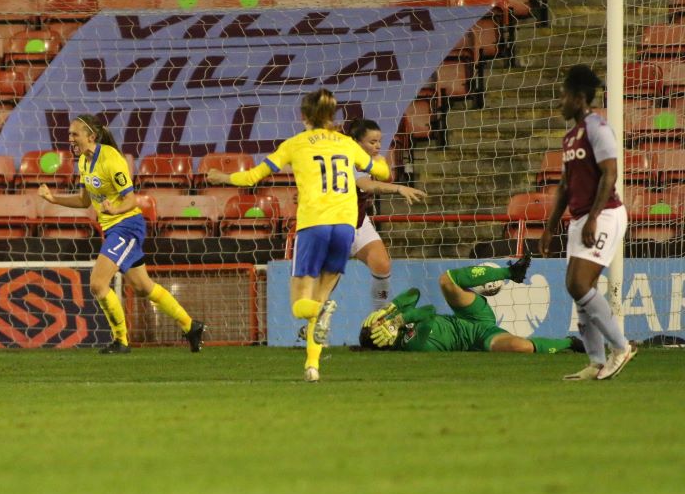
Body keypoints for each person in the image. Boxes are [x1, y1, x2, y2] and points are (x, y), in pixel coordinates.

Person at [208, 89, 390, 382]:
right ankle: (312, 366)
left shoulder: (294, 145)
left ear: (303, 116)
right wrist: (377, 162)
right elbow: (380, 171)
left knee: (299, 304)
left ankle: (319, 311)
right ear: (332, 116)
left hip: (313, 225)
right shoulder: (346, 143)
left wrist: (222, 178)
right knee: (320, 298)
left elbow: (253, 177)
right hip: (345, 226)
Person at [37, 114, 206, 354]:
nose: (70, 139)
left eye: (75, 134)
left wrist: (114, 209)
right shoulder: (84, 162)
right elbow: (85, 200)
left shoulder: (111, 160)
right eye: (69, 135)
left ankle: (121, 341)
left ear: (91, 136)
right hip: (114, 229)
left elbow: (131, 199)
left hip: (127, 225)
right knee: (143, 287)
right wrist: (53, 198)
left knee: (97, 284)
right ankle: (191, 325)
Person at [539, 65, 636, 381]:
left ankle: (621, 347)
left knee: (579, 284)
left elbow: (610, 172)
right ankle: (596, 362)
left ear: (579, 98)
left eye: (564, 96)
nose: (560, 102)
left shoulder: (598, 128)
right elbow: (566, 186)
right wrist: (551, 226)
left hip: (605, 213)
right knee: (577, 287)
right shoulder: (570, 136)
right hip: (580, 218)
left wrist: (594, 218)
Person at [359, 256, 583, 354]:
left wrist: (389, 310)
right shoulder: (410, 345)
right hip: (477, 338)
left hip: (470, 316)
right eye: (378, 328)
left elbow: (414, 293)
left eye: (378, 323)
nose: (382, 324)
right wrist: (399, 321)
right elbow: (429, 312)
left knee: (446, 280)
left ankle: (510, 272)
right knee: (520, 347)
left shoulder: (397, 322)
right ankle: (569, 343)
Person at [345, 118, 426, 309]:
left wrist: (379, 166)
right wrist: (397, 189)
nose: (378, 146)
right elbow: (367, 185)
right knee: (329, 279)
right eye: (372, 142)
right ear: (356, 142)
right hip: (336, 225)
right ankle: (312, 322)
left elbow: (385, 175)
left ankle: (379, 313)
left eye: (379, 141)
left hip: (358, 221)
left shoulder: (371, 162)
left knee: (382, 265)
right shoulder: (346, 161)